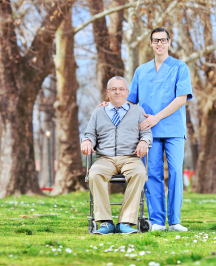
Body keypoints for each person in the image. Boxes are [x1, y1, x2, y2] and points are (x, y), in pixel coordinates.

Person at [100, 28, 192, 231]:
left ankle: (175, 221)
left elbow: (181, 98)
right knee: (152, 174)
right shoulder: (141, 71)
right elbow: (129, 100)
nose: (159, 44)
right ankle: (158, 221)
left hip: (173, 129)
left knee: (176, 172)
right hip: (148, 132)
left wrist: (157, 117)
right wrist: (108, 105)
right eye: (155, 40)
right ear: (151, 44)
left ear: (169, 42)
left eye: (163, 40)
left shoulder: (180, 67)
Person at [81, 76, 152, 234]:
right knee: (94, 174)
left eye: (121, 89)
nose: (117, 92)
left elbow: (146, 133)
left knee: (139, 173)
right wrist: (86, 141)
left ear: (127, 92)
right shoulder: (99, 111)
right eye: (113, 89)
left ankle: (125, 222)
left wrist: (144, 142)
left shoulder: (138, 111)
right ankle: (106, 222)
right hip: (105, 158)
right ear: (108, 92)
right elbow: (90, 133)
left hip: (130, 158)